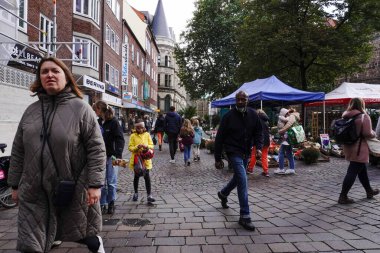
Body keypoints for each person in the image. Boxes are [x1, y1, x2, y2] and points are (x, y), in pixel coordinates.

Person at [7, 57, 106, 253]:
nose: (49, 75)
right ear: (39, 78)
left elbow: (96, 148)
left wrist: (94, 185)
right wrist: (15, 184)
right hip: (34, 189)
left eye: (55, 71)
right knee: (30, 243)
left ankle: (97, 246)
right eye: (44, 72)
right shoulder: (31, 111)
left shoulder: (81, 108)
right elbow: (18, 149)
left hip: (71, 186)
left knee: (84, 234)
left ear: (66, 77)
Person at [214, 91, 263, 231]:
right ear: (235, 100)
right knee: (242, 179)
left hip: (246, 151)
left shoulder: (253, 114)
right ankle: (245, 216)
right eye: (238, 99)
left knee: (238, 177)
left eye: (243, 99)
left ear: (248, 100)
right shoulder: (228, 116)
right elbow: (220, 138)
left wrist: (258, 148)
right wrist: (217, 158)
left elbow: (259, 132)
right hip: (233, 151)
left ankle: (223, 193)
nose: (241, 101)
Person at [338, 97, 379, 204]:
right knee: (352, 171)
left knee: (362, 169)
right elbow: (368, 133)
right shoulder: (363, 117)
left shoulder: (346, 116)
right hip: (360, 147)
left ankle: (369, 190)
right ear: (362, 105)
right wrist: (374, 133)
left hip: (349, 146)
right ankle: (343, 196)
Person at [93, 100, 125, 215]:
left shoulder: (114, 122)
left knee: (111, 181)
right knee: (101, 182)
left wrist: (118, 155)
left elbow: (120, 139)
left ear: (100, 110)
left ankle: (111, 202)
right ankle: (102, 203)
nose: (94, 112)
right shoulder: (97, 122)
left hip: (112, 157)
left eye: (95, 109)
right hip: (100, 156)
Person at [128, 119, 156, 202]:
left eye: (141, 128)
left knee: (147, 177)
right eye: (138, 128)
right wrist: (137, 147)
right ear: (136, 128)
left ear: (144, 127)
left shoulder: (147, 135)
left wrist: (147, 147)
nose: (140, 129)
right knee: (136, 177)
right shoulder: (133, 136)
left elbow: (152, 145)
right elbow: (130, 147)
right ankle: (136, 193)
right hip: (137, 160)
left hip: (146, 160)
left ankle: (149, 195)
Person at [247, 109, 270, 177]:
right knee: (264, 156)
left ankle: (250, 169)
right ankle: (266, 171)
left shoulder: (256, 120)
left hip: (258, 141)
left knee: (254, 155)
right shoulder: (266, 121)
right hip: (266, 141)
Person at [275, 108, 297, 175]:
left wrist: (280, 131)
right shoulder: (292, 117)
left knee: (281, 152)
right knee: (289, 153)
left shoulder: (287, 118)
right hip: (289, 138)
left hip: (286, 138)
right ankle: (292, 168)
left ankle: (281, 168)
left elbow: (283, 128)